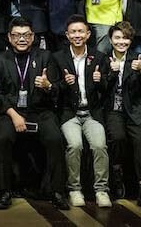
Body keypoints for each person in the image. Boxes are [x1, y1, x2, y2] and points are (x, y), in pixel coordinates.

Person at [0, 18, 70, 210]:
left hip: (39, 111)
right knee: (2, 137)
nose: (22, 39)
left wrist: (48, 85)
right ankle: (4, 192)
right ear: (9, 37)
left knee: (54, 138)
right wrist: (14, 115)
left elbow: (57, 88)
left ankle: (57, 191)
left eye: (26, 35)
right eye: (17, 35)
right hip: (11, 112)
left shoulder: (45, 56)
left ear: (33, 37)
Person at [53, 17, 110, 208]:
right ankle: (74, 189)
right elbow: (53, 90)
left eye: (80, 31)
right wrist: (64, 83)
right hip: (70, 113)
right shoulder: (58, 58)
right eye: (73, 32)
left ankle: (101, 190)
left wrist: (100, 81)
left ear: (88, 34)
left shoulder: (98, 57)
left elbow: (106, 89)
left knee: (99, 145)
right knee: (75, 145)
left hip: (92, 112)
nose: (77, 35)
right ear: (67, 35)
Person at [99, 22, 141, 210]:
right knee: (118, 137)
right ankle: (116, 172)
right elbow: (101, 90)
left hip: (135, 110)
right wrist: (111, 74)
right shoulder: (104, 59)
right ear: (110, 40)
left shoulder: (138, 58)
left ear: (131, 41)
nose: (121, 42)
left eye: (125, 38)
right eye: (117, 38)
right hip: (113, 109)